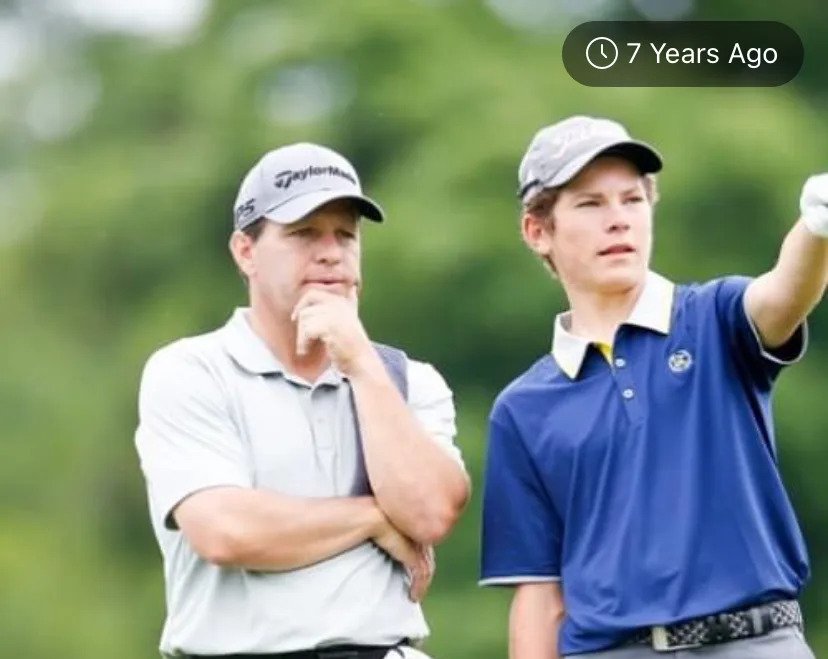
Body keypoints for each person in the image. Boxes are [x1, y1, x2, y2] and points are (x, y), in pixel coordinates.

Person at [479, 115, 828, 658]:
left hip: (760, 642)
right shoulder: (523, 409)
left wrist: (815, 226)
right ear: (537, 231)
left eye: (632, 200)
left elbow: (784, 295)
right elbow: (540, 595)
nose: (617, 220)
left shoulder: (714, 318)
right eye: (590, 204)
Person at [135, 143, 470, 659]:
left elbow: (429, 515)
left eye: (346, 235)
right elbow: (226, 531)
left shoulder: (407, 380)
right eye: (303, 235)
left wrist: (360, 362)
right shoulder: (191, 372)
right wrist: (375, 518)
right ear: (245, 252)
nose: (331, 253)